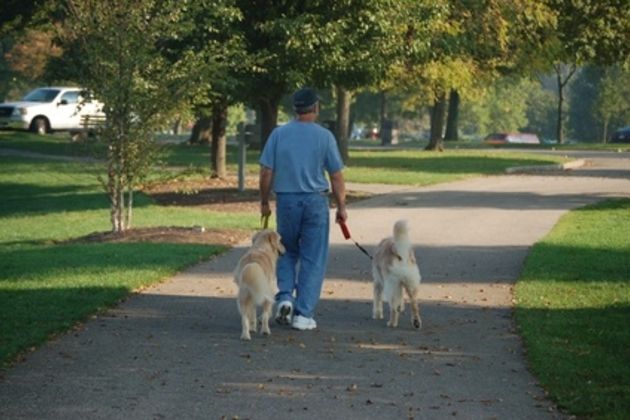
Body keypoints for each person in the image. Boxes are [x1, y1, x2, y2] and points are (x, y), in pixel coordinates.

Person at [259, 87, 347, 331]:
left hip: (286, 201)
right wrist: (341, 207)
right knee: (313, 257)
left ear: (295, 109)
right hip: (315, 202)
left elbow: (267, 171)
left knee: (285, 251)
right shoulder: (325, 137)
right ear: (315, 108)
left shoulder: (278, 134)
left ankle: (285, 297)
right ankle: (303, 314)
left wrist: (264, 201)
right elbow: (336, 176)